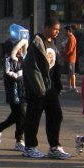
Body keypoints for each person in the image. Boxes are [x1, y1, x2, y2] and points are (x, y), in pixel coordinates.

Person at [21, 15, 71, 159]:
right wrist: (38, 87)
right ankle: (30, 147)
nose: (57, 32)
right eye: (55, 29)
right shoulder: (37, 44)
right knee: (33, 117)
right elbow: (31, 68)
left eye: (58, 30)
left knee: (56, 115)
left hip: (50, 88)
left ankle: (54, 147)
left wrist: (58, 84)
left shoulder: (52, 44)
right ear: (46, 28)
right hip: (38, 88)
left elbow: (54, 67)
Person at [0, 38, 27, 149]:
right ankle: (19, 140)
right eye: (18, 48)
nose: (21, 49)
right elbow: (10, 74)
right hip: (13, 91)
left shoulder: (23, 59)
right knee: (21, 114)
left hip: (23, 91)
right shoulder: (8, 60)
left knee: (17, 115)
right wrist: (20, 73)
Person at [60, 25, 79, 92]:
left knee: (71, 73)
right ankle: (70, 86)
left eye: (65, 31)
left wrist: (63, 54)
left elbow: (70, 49)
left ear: (68, 31)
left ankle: (73, 87)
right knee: (69, 73)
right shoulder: (68, 38)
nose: (64, 32)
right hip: (68, 58)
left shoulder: (71, 38)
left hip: (70, 58)